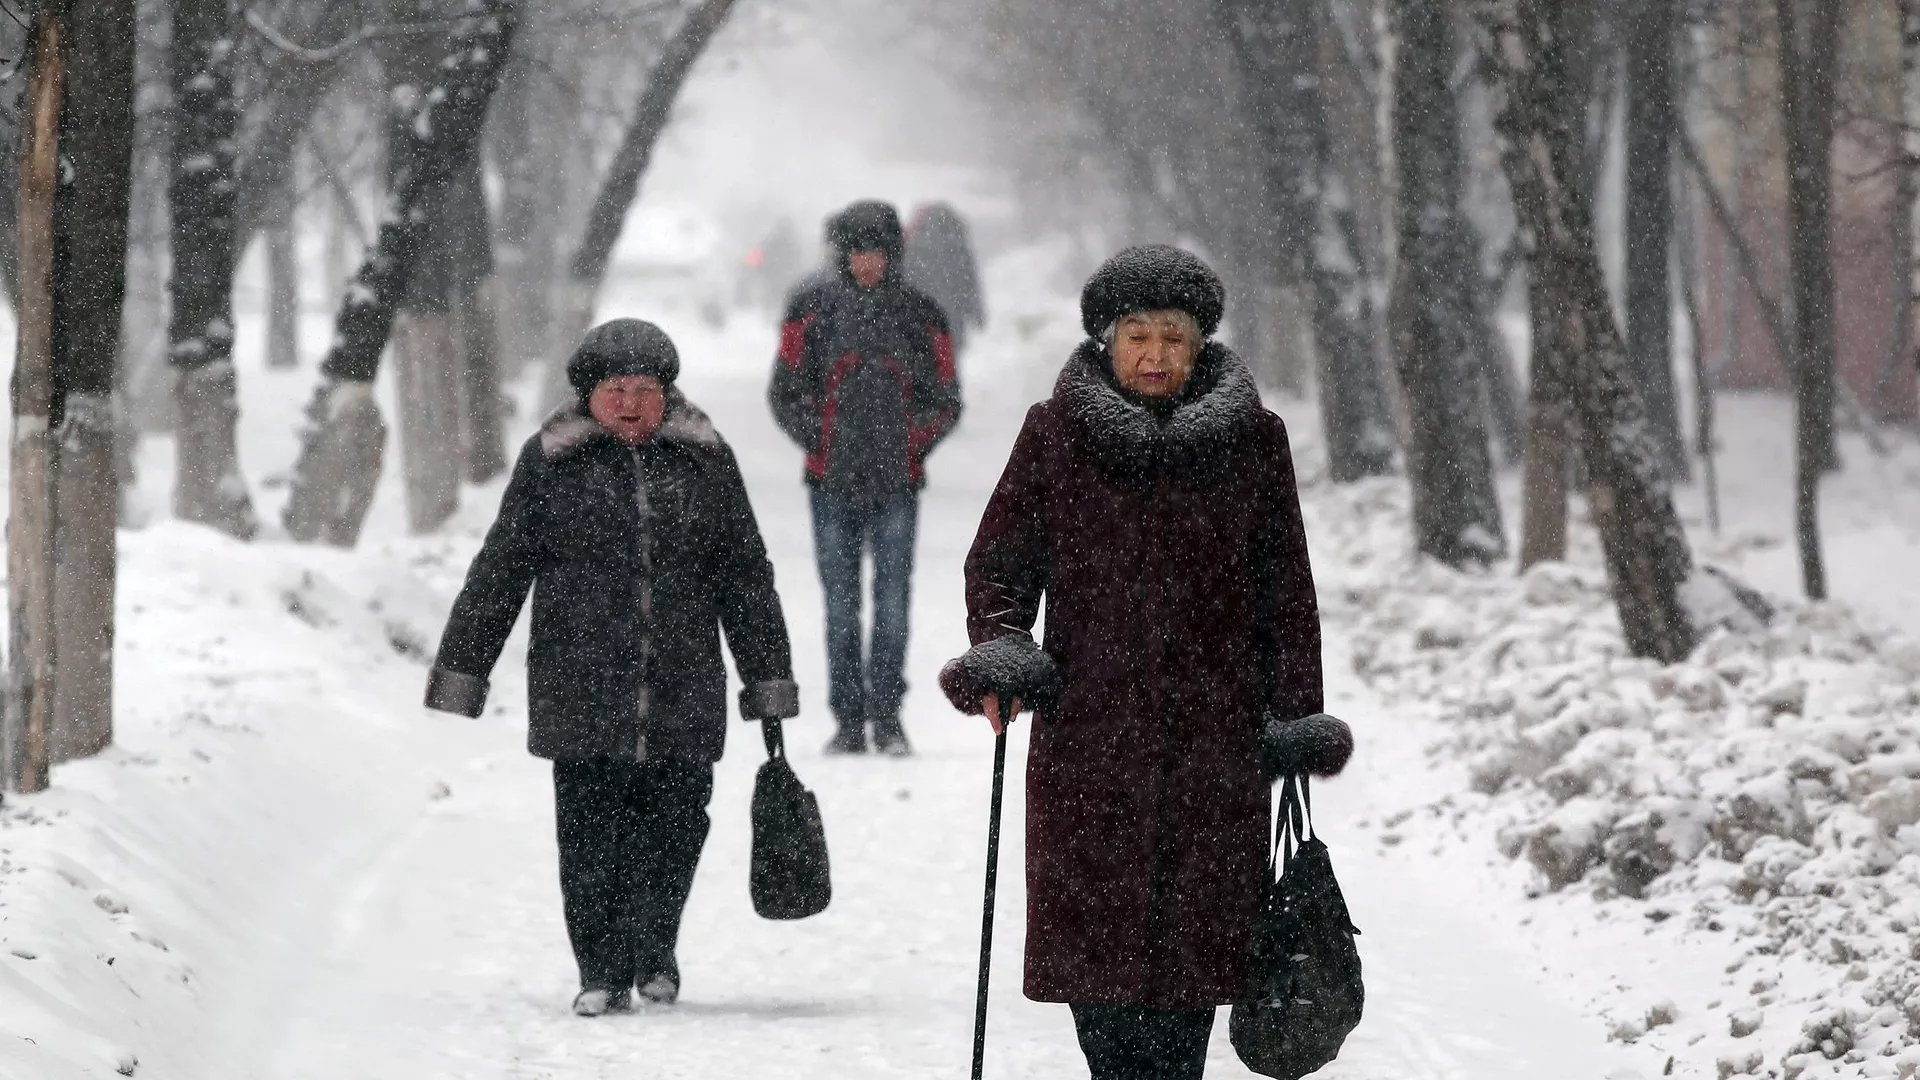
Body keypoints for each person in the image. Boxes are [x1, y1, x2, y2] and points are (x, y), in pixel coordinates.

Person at [939, 246, 1324, 1079]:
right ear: (1107, 341)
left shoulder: (1254, 442)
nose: (1156, 355)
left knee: (1190, 984)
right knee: (1099, 985)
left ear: (1202, 346)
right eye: (1139, 336)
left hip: (1213, 752)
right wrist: (1005, 649)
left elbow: (1284, 592)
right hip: (1090, 743)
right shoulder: (1056, 435)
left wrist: (1292, 719)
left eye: (1175, 339)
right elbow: (1000, 564)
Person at [424, 318, 799, 1017]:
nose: (631, 403)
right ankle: (600, 965)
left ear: (669, 394)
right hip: (581, 680)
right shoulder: (551, 461)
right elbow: (503, 566)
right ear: (588, 395)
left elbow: (745, 575)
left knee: (678, 824)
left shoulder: (706, 460)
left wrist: (767, 675)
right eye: (617, 389)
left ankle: (655, 947)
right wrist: (464, 667)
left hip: (684, 680)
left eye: (647, 389)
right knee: (590, 833)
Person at [769, 200, 962, 756]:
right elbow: (784, 391)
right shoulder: (811, 310)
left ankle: (888, 715)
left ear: (892, 252)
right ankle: (849, 719)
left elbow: (945, 400)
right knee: (840, 604)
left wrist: (909, 445)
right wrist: (823, 443)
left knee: (894, 603)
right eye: (857, 251)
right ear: (842, 253)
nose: (866, 262)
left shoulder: (922, 316)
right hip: (830, 485)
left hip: (898, 486)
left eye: (876, 251)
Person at [901, 202, 987, 355]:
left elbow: (904, 280)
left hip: (922, 318)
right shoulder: (954, 239)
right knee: (947, 361)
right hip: (950, 316)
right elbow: (968, 278)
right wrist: (976, 312)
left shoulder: (912, 243)